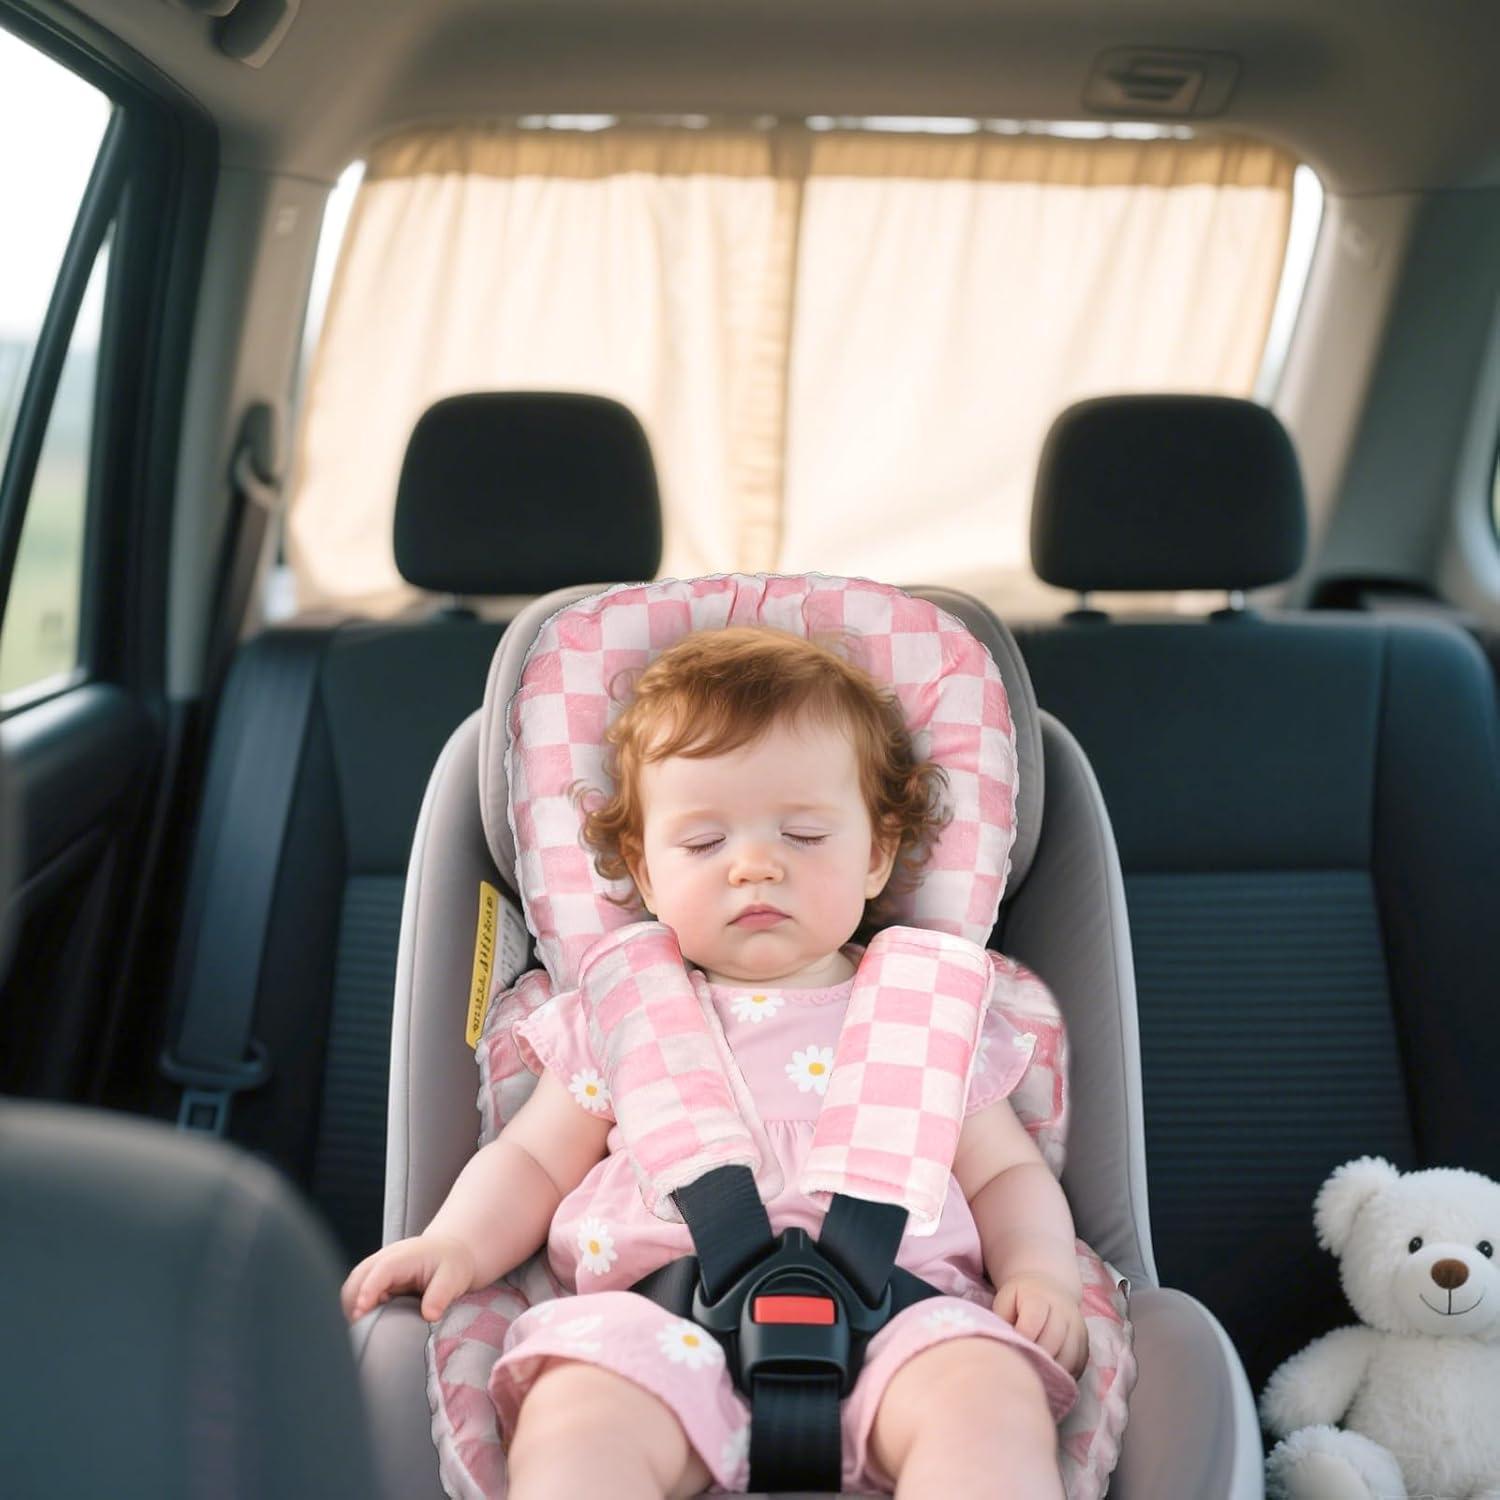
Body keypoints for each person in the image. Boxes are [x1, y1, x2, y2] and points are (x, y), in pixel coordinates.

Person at [343, 626, 1087, 1499]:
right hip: (655, 1326)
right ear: (646, 875)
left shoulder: (926, 1015)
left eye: (805, 835)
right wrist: (454, 1244)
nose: (755, 866)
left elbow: (1005, 1174)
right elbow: (532, 1160)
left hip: (907, 1323)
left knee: (988, 1394)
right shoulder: (620, 1016)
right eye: (703, 845)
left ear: (878, 852)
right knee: (578, 1410)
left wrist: (1040, 1272)